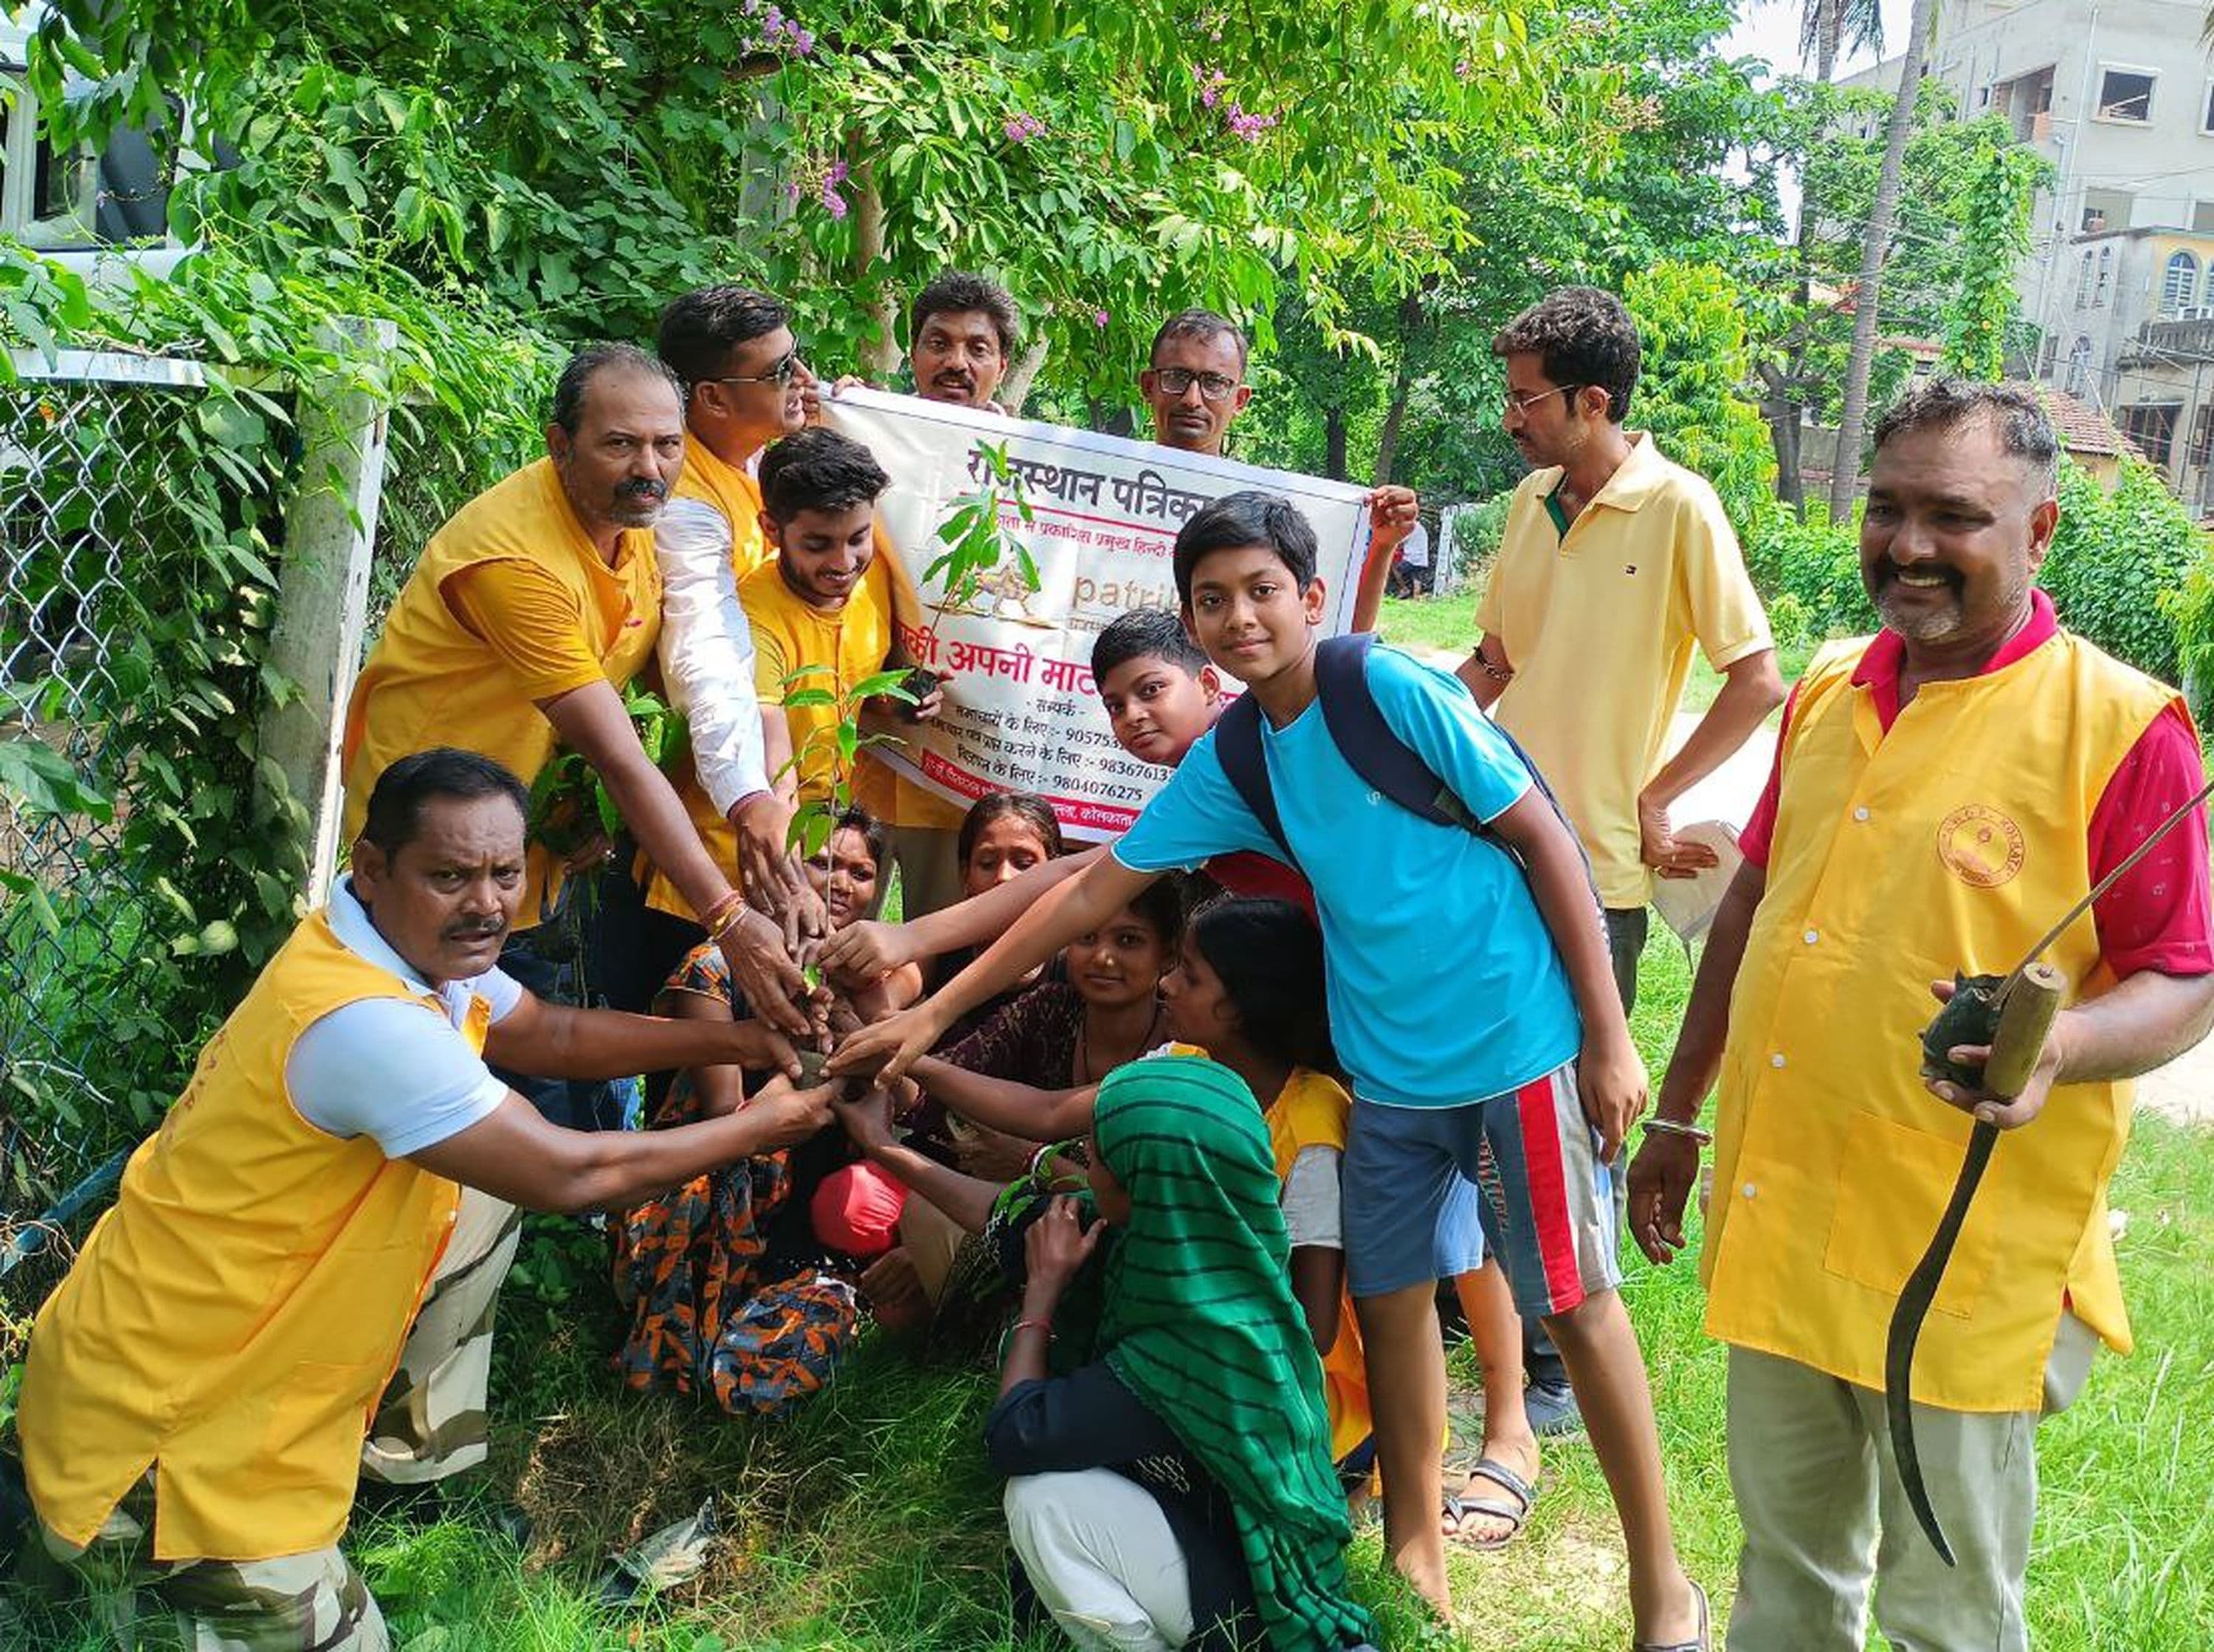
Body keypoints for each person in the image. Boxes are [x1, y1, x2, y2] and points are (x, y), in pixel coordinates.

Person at [835, 492, 1706, 1642]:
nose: (1239, 615)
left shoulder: (1383, 687)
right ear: (1194, 623)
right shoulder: (1237, 752)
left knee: (1573, 1304)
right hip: (1383, 1071)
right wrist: (933, 1005)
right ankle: (1413, 1547)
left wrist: (1607, 1030)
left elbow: (1542, 831)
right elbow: (1092, 884)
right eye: (1212, 599)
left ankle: (1662, 1585)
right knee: (1390, 1304)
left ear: (1308, 596)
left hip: (1516, 1040)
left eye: (1261, 590)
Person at [1627, 379, 2214, 1652]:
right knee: (1786, 1577)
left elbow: (2185, 978)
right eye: (1886, 507)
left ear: (2041, 530)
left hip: (1961, 1243)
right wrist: (1679, 1106)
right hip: (1787, 1208)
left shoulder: (2121, 726)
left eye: (1954, 514)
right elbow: (1755, 904)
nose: (1906, 544)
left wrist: (2059, 1042)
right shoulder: (1830, 685)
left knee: (1946, 1610)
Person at [15, 750, 836, 1649]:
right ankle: (114, 1555)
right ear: (373, 868)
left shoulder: (395, 943)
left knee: (473, 1197)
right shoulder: (366, 1024)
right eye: (451, 875)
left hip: (187, 1343)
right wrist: (763, 1126)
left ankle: (407, 1473)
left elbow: (549, 1030)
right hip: (161, 1437)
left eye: (504, 873)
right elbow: (574, 1174)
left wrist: (754, 1035)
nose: (487, 903)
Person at [339, 344, 813, 1071]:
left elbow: (686, 671)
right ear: (560, 446)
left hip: (525, 842)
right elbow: (618, 755)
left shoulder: (639, 525)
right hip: (431, 854)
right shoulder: (516, 561)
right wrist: (730, 918)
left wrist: (756, 800)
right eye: (619, 445)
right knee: (437, 1069)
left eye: (666, 445)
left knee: (527, 1061)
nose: (648, 470)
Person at [1457, 287, 1784, 1017]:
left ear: (1594, 402)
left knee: (1578, 1106)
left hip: (1598, 872)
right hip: (1496, 844)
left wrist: (1657, 797)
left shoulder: (1679, 505)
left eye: (1527, 400)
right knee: (1480, 1096)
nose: (1511, 420)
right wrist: (1409, 732)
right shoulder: (1530, 498)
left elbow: (1757, 682)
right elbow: (1495, 662)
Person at [982, 1057, 1378, 1652]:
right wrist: (882, 1145)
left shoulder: (1181, 1347)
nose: (1088, 1166)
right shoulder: (1233, 1281)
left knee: (1039, 1499)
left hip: (1253, 1617)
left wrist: (1041, 1295)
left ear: (1142, 1181)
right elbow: (1008, 1220)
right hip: (1251, 1568)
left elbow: (1015, 1435)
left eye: (1098, 1152)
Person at [616, 806, 921, 1414]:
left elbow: (907, 1102)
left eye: (862, 872)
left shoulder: (883, 979)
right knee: (710, 1189)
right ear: (783, 873)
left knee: (783, 1353)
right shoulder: (715, 967)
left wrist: (866, 1018)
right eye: (822, 862)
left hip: (809, 1210)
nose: (841, 883)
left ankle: (742, 1346)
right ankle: (678, 1348)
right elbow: (730, 1115)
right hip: (713, 1180)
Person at [639, 285, 821, 961]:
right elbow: (705, 656)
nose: (801, 381)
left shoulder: (750, 460)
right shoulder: (686, 505)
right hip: (707, 825)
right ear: (713, 399)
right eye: (778, 372)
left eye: (797, 359)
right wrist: (750, 799)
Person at [735, 427, 957, 890]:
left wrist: (895, 700)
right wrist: (795, 887)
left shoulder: (873, 574)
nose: (843, 562)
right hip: (738, 865)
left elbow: (852, 692)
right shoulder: (751, 620)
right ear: (771, 529)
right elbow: (773, 761)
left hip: (813, 851)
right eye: (818, 545)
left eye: (858, 538)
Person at [1139, 309, 1417, 629]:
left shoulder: (1269, 514)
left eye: (1215, 383)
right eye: (1176, 377)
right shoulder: (1083, 492)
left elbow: (1340, 633)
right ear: (1149, 385)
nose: (1192, 399)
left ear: (1240, 399)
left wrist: (1384, 544)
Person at [908, 270, 1020, 412]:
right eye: (938, 344)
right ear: (913, 356)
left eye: (979, 349)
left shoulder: (1015, 435)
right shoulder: (874, 431)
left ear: (1002, 369)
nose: (956, 363)